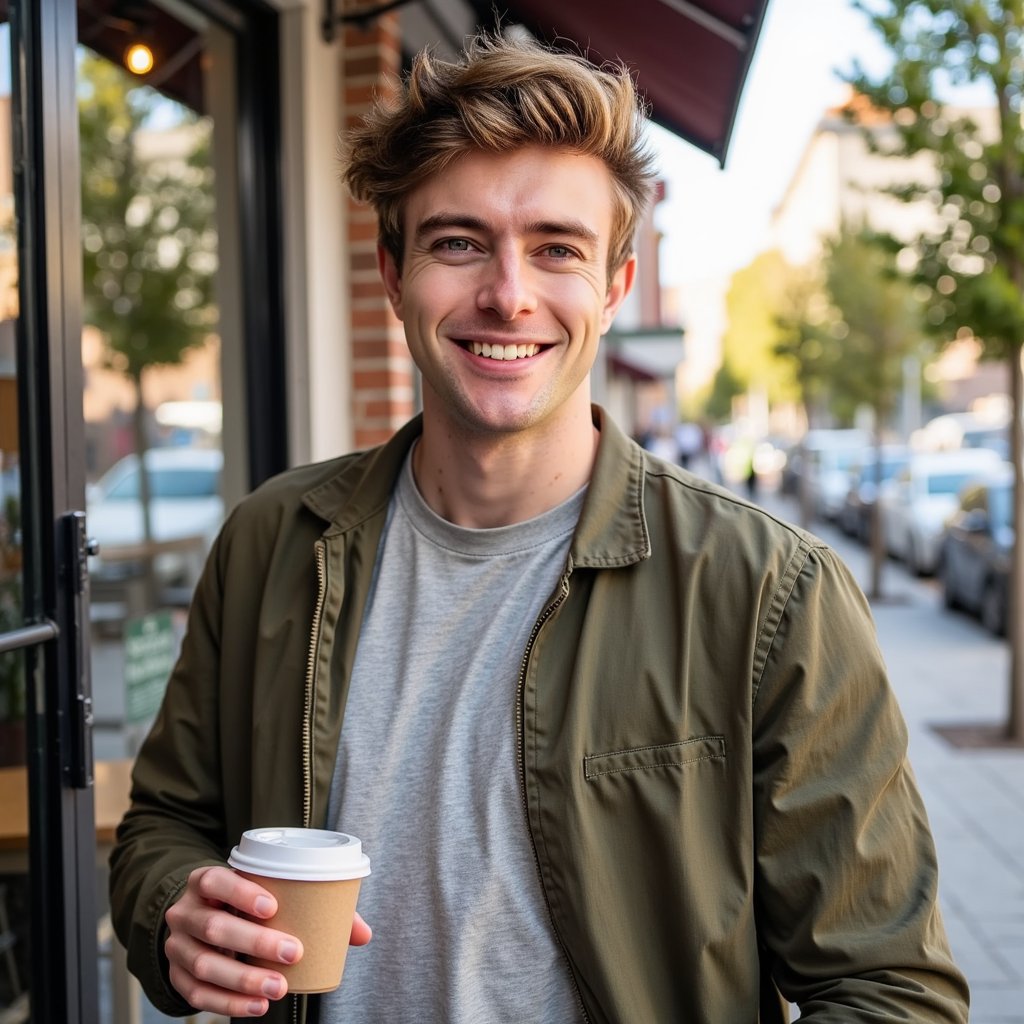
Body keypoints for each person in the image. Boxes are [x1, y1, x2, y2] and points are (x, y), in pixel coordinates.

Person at [109, 30, 970, 1024]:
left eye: (555, 248)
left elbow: (887, 989)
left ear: (613, 284)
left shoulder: (767, 593)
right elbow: (167, 824)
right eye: (457, 241)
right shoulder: (269, 543)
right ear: (391, 272)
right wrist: (176, 913)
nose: (507, 293)